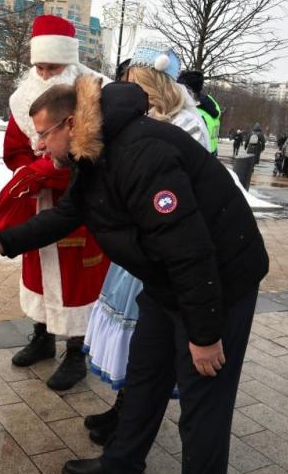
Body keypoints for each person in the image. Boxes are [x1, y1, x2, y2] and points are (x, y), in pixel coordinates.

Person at [0, 76, 269, 474]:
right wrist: (3, 241)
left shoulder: (140, 153)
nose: (38, 146)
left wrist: (204, 336)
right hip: (166, 278)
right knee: (145, 374)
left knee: (204, 399)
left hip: (217, 282)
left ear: (72, 123)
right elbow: (68, 214)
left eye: (43, 135)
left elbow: (190, 251)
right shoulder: (93, 152)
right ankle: (123, 463)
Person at [83, 42, 209, 445]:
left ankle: (131, 416)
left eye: (132, 80)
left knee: (145, 340)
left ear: (150, 81)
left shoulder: (187, 124)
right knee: (134, 337)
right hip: (137, 242)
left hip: (161, 244)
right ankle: (124, 407)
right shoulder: (138, 116)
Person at [0, 14, 111, 391]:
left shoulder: (92, 92)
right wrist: (37, 170)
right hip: (39, 200)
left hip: (80, 205)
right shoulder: (21, 97)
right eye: (39, 65)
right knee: (39, 270)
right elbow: (14, 151)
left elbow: (99, 151)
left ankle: (76, 353)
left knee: (77, 279)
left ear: (68, 62)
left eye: (52, 66)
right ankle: (41, 336)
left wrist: (60, 171)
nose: (44, 72)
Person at [178, 70, 221, 156]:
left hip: (198, 157)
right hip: (212, 152)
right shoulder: (212, 103)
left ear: (187, 90)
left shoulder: (193, 113)